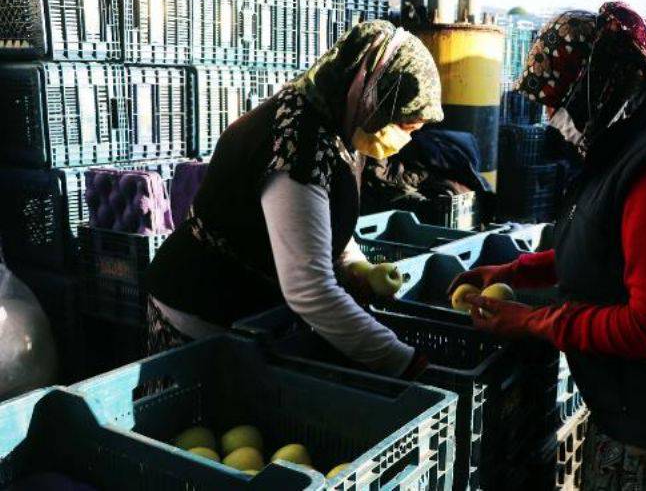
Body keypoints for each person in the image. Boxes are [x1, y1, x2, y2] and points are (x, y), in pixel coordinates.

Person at [449, 2, 646, 490]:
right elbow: (612, 250)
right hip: (637, 413)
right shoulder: (632, 135)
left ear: (595, 86)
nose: (551, 117)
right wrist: (514, 273)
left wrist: (532, 321)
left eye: (557, 101)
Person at [146, 21, 443, 378]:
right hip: (201, 314)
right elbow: (310, 290)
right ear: (372, 95)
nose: (403, 140)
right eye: (405, 126)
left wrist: (356, 265)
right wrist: (404, 362)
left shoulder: (342, 125)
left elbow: (317, 218)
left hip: (250, 315)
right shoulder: (297, 144)